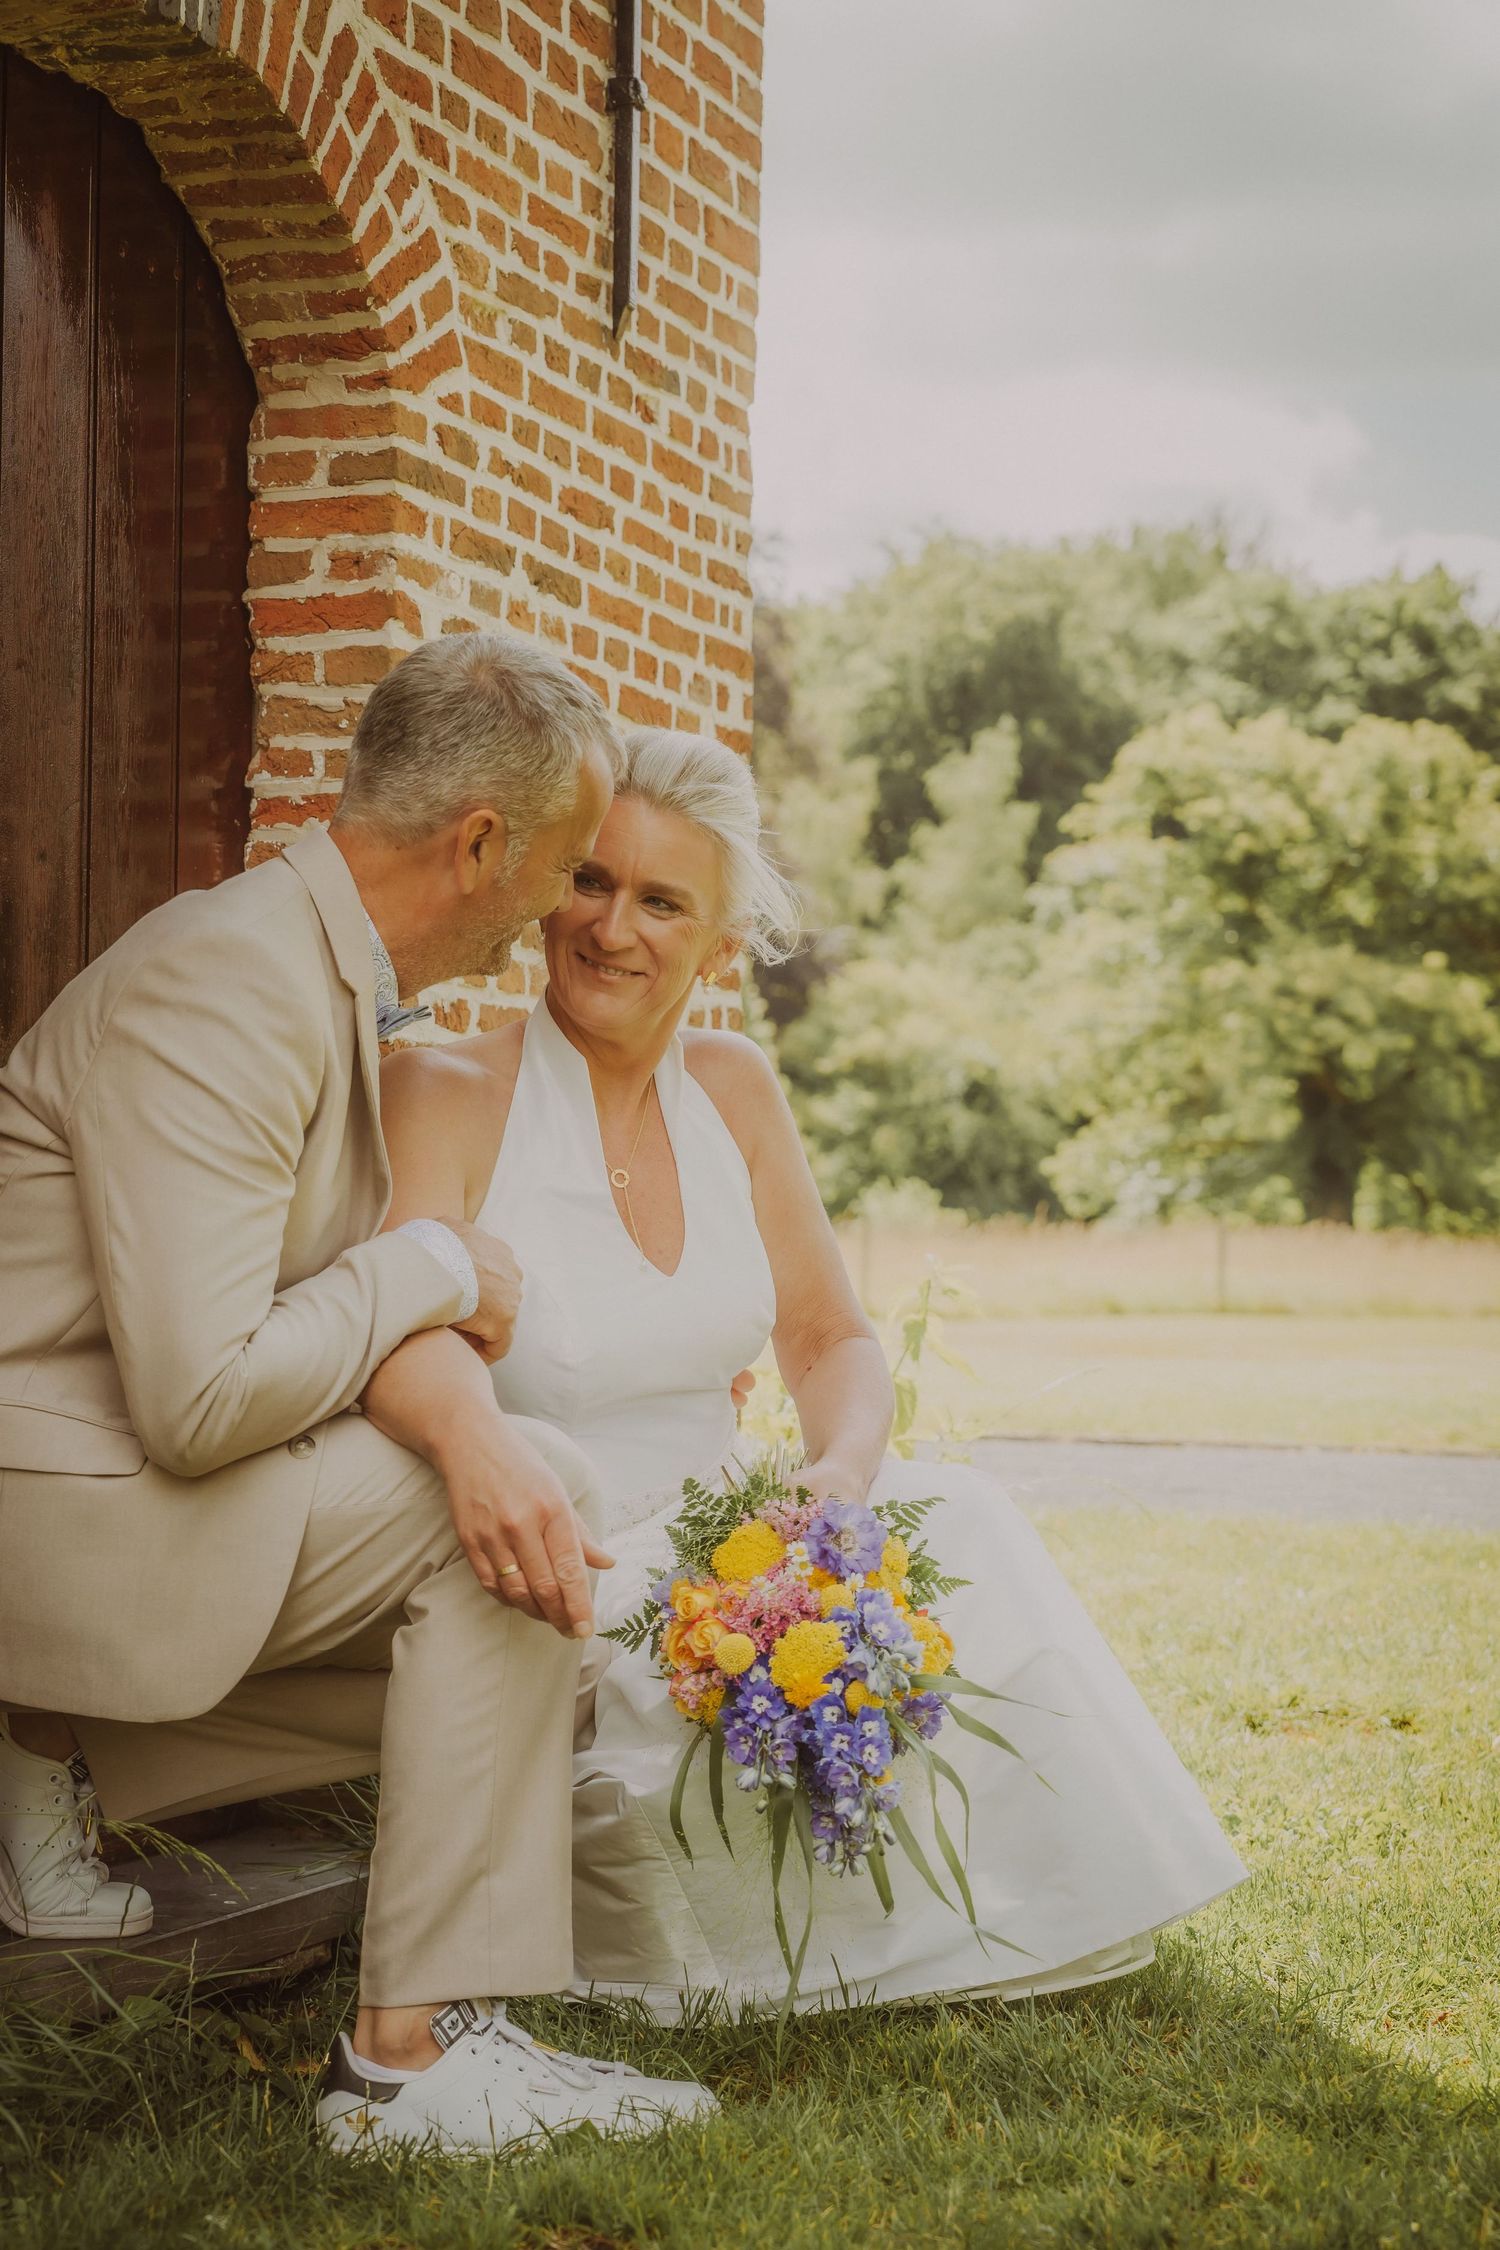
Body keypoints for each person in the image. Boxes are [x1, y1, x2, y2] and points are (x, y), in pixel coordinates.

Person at [369, 726, 1250, 2018]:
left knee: (962, 1515)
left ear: (721, 946)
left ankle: (1037, 1905)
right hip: (560, 1570)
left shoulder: (734, 1086)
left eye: (663, 900)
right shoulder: (439, 1090)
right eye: (591, 881)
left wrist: (831, 1482)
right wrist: (477, 1448)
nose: (612, 926)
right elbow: (396, 1329)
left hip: (736, 1538)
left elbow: (831, 1337)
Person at [0, 632, 715, 2149]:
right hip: (45, 1494)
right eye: (565, 868)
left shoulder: (314, 973)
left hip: (103, 1478)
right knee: (535, 1520)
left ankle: (43, 1753)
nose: (560, 915)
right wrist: (441, 1264)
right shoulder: (231, 979)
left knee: (546, 1640)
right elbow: (199, 1396)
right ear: (478, 844)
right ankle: (411, 2059)